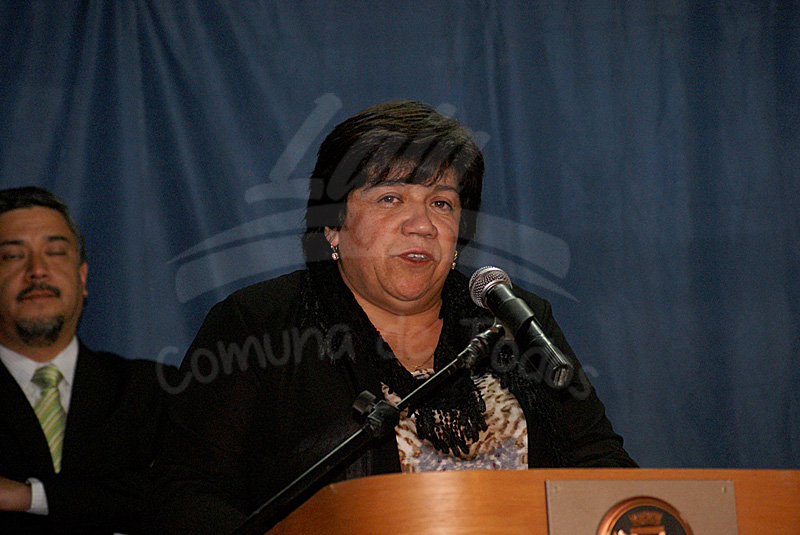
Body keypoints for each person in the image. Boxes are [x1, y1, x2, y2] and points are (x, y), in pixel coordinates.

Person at [151, 100, 636, 533]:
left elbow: (601, 463)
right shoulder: (257, 323)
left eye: (442, 203)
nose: (422, 224)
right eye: (390, 198)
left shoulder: (512, 317)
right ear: (333, 226)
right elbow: (186, 495)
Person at [0, 187, 174, 534]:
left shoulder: (154, 390)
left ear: (82, 278)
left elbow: (172, 499)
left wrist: (28, 497)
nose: (37, 270)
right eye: (12, 256)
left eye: (55, 252)